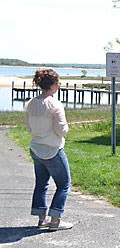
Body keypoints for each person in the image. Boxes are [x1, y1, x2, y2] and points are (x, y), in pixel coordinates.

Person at [24, 68, 73, 231]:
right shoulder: (55, 104)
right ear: (52, 84)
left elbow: (29, 128)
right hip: (52, 150)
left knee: (41, 183)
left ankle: (41, 218)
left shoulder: (31, 103)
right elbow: (62, 130)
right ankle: (55, 221)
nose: (58, 85)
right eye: (58, 82)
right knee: (64, 184)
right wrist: (67, 128)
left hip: (36, 148)